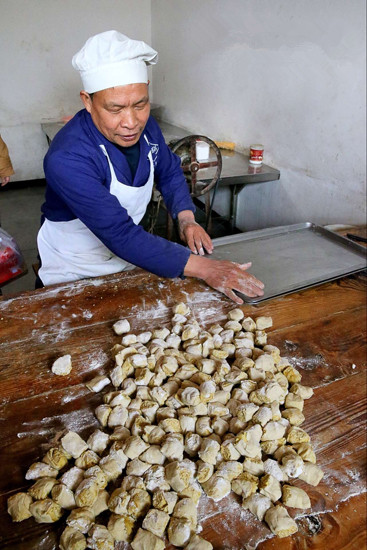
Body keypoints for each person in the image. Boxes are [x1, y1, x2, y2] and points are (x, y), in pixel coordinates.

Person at [37, 30, 264, 303]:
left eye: (140, 104)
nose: (131, 122)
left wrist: (186, 219)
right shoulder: (68, 156)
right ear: (88, 101)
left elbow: (168, 171)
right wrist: (207, 268)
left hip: (128, 255)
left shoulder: (147, 129)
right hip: (73, 267)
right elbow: (119, 233)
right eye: (115, 109)